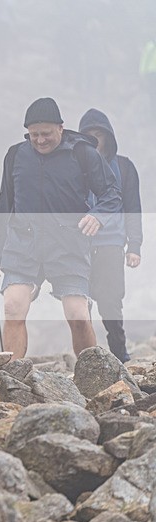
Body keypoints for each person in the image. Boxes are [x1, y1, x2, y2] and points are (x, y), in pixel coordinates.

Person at [0, 97, 121, 361]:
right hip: (23, 244)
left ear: (61, 128)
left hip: (68, 245)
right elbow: (5, 204)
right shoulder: (15, 155)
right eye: (34, 134)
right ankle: (10, 376)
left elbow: (112, 193)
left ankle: (91, 373)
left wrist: (98, 216)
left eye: (46, 133)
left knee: (78, 315)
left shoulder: (83, 153)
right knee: (13, 305)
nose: (40, 140)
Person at [79, 108, 143, 363]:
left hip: (112, 243)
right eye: (89, 135)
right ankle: (89, 356)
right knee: (80, 302)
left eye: (99, 134)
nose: (95, 140)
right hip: (80, 244)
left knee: (111, 301)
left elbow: (133, 208)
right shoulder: (75, 167)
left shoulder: (125, 168)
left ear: (108, 137)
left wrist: (135, 246)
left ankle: (119, 352)